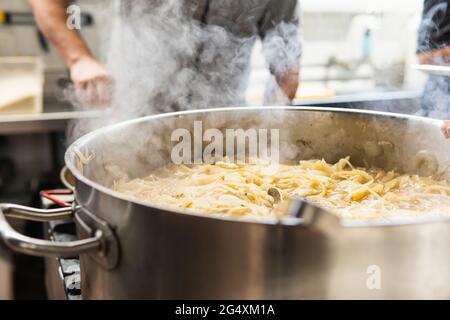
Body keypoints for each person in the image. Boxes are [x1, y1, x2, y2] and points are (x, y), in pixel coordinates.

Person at [28, 0, 301, 112]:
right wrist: (79, 58)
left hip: (222, 127)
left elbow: (284, 42)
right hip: (133, 120)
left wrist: (276, 111)